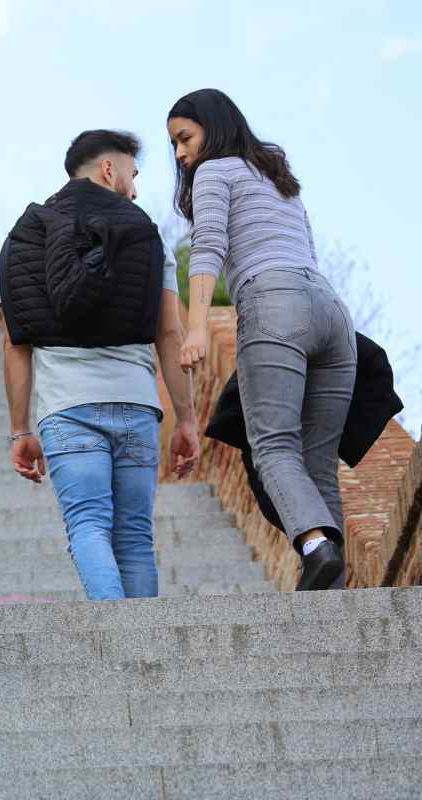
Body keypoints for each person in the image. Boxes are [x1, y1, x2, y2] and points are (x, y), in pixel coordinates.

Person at [0, 130, 201, 601]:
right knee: (134, 537)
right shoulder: (147, 237)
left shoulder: (27, 236)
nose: (134, 190)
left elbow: (15, 341)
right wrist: (186, 418)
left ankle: (117, 652)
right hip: (135, 403)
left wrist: (18, 429)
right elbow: (169, 334)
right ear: (110, 170)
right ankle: (144, 651)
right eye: (133, 175)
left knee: (89, 527)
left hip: (66, 409)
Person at [169, 88, 356, 591]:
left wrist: (198, 325)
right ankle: (329, 598)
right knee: (318, 465)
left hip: (274, 302)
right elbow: (309, 253)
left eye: (185, 138)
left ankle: (316, 545)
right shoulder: (279, 177)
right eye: (177, 146)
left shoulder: (215, 170)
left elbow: (209, 245)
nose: (182, 154)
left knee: (273, 445)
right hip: (332, 312)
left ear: (214, 126)